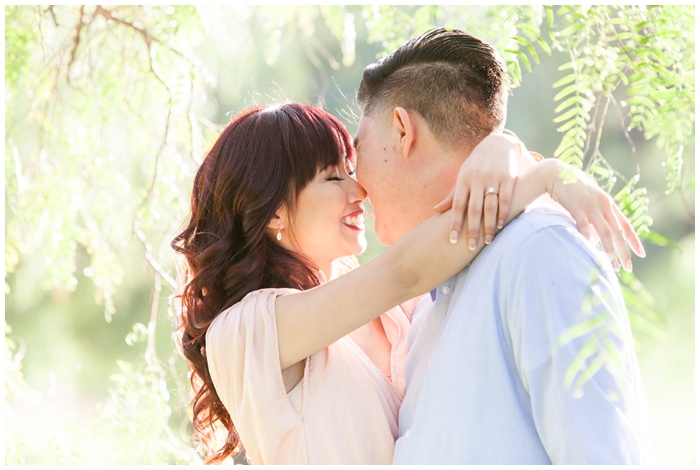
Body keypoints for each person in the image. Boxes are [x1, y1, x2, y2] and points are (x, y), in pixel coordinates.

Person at [171, 102, 641, 465]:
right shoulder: (244, 332)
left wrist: (503, 148)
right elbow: (405, 269)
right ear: (273, 209)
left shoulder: (384, 313)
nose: (359, 192)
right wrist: (544, 176)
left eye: (352, 171)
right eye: (334, 177)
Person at [354, 27, 650, 464]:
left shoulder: (540, 250)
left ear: (402, 131)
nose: (355, 183)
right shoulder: (429, 307)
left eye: (358, 147)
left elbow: (602, 453)